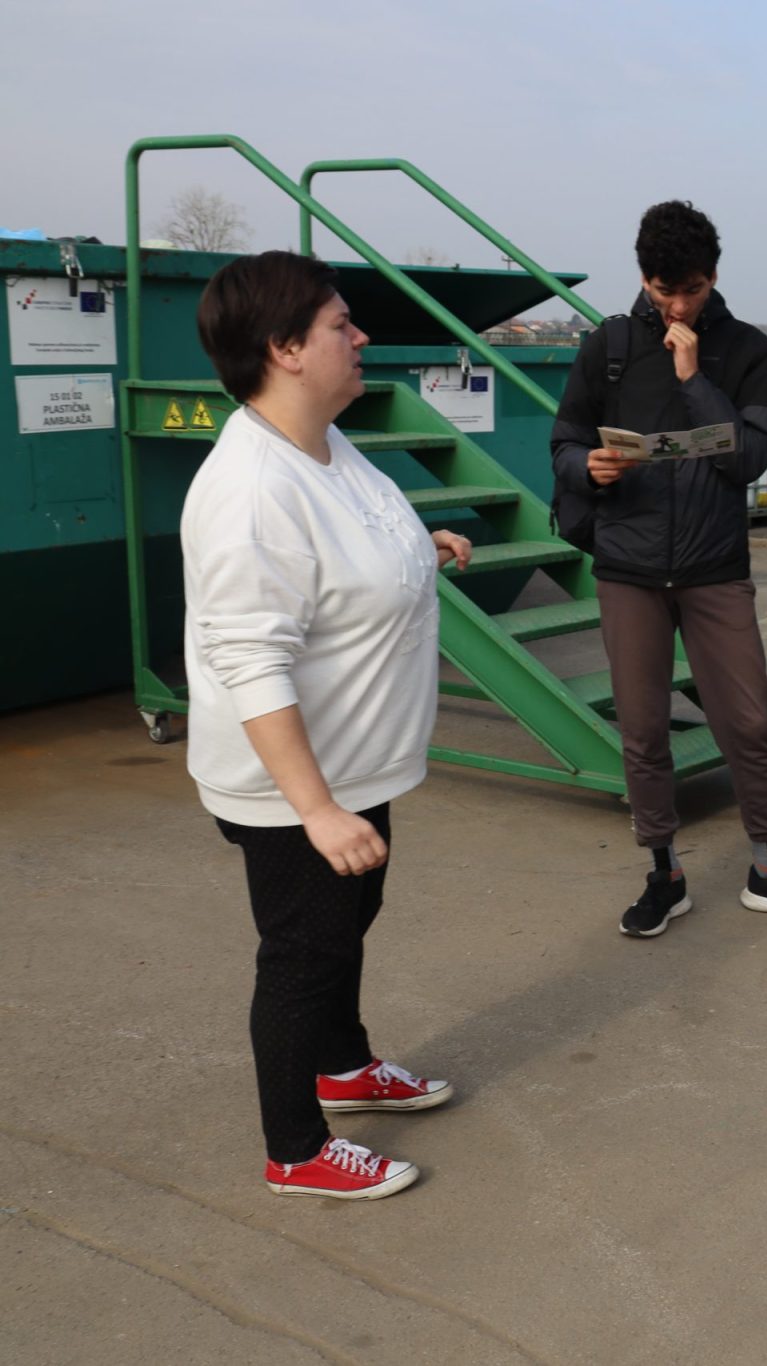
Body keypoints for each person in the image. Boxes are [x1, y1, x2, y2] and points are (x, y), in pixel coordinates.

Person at [184, 251, 474, 1200]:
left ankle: (343, 1067)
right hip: (294, 787)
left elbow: (344, 547)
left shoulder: (322, 443)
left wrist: (418, 549)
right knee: (304, 956)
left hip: (354, 765)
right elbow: (251, 660)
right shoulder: (250, 491)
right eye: (341, 325)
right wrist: (314, 811)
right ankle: (296, 1149)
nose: (361, 337)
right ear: (284, 350)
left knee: (348, 925)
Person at [551, 200, 767, 937]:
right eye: (663, 291)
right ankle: (664, 874)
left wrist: (693, 378)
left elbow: (750, 458)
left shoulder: (745, 349)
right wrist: (586, 467)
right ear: (642, 278)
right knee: (643, 728)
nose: (677, 306)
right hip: (629, 567)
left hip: (714, 565)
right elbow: (564, 440)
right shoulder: (609, 346)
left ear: (713, 277)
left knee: (748, 722)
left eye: (691, 290)